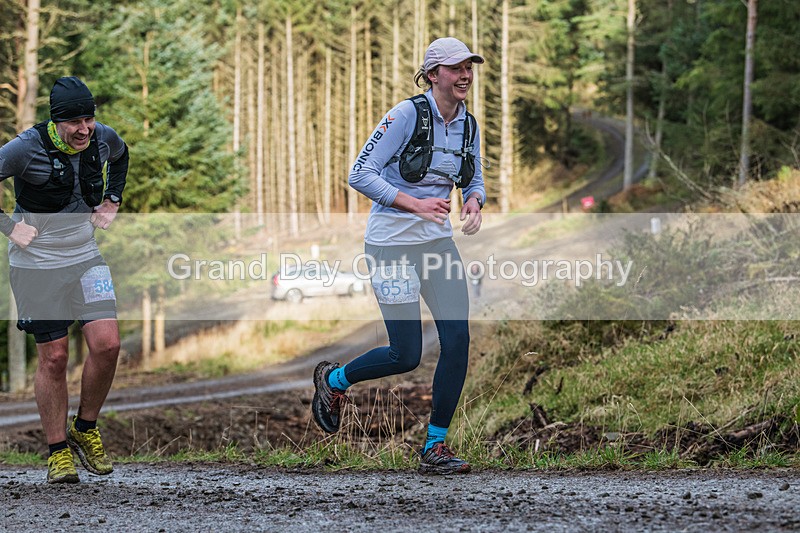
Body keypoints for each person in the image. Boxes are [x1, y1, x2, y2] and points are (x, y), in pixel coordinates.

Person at [312, 37, 486, 475]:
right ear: (432, 75)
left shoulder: (469, 124)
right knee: (405, 353)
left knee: (458, 341)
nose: (465, 74)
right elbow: (359, 173)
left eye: (469, 66)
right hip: (390, 245)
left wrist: (474, 199)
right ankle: (333, 381)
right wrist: (414, 203)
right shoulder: (406, 115)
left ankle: (435, 446)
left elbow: (475, 173)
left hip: (436, 244)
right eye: (455, 68)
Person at [0, 76, 128, 483]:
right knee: (54, 358)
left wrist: (112, 199)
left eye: (89, 119)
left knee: (108, 344)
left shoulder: (101, 137)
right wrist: (9, 228)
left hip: (86, 257)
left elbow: (122, 156)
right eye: (74, 122)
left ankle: (85, 428)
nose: (84, 130)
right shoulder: (24, 148)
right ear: (56, 122)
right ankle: (58, 453)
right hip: (36, 265)